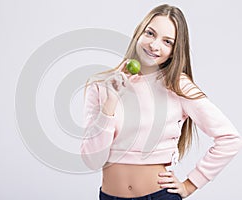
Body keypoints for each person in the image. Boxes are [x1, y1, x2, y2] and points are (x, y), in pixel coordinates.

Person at [80, 4, 242, 200]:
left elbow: (230, 138)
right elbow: (92, 160)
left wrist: (191, 184)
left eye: (167, 42)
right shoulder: (101, 85)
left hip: (159, 196)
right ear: (139, 32)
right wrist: (110, 103)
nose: (154, 45)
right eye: (150, 33)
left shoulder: (178, 85)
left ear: (174, 51)